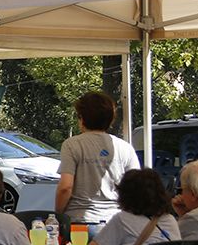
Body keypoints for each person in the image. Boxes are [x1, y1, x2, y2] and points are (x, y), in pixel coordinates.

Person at [55, 91, 141, 236]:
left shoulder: (72, 145)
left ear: (82, 118)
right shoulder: (125, 147)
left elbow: (66, 187)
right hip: (116, 222)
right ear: (110, 119)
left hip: (80, 221)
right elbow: (136, 188)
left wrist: (58, 214)